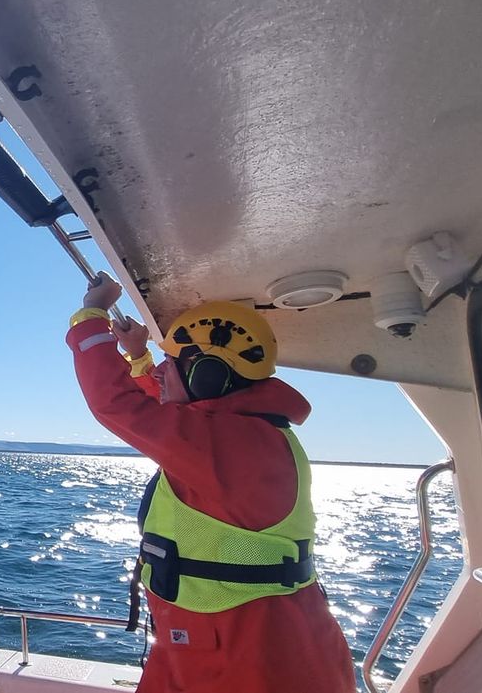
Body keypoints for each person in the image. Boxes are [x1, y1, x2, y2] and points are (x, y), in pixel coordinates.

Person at [68, 274, 355, 693]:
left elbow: (117, 405)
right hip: (224, 642)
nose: (164, 370)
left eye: (175, 363)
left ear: (209, 377)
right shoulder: (245, 435)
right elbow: (169, 410)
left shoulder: (232, 445)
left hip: (249, 658)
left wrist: (91, 315)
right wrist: (138, 358)